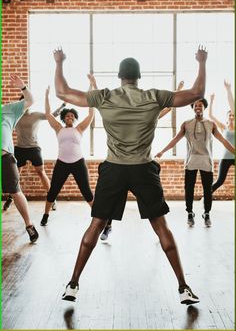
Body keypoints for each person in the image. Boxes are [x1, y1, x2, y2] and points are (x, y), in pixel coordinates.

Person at [53, 45, 208, 305]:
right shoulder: (153, 96)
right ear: (138, 77)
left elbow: (62, 92)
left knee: (96, 224)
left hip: (114, 169)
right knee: (161, 227)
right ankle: (183, 287)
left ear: (119, 76)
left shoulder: (104, 97)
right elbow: (196, 93)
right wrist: (202, 62)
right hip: (143, 169)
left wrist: (59, 62)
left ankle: (73, 284)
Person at [100, 80, 185, 241]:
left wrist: (177, 90)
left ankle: (160, 231)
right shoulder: (119, 114)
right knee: (109, 204)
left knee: (155, 215)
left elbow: (165, 108)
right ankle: (107, 226)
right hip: (119, 164)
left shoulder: (148, 113)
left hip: (139, 165)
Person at [156, 99, 235, 228]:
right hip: (191, 160)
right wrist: (162, 151)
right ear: (193, 108)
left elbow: (223, 140)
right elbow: (175, 139)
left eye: (201, 105)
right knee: (189, 188)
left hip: (206, 160)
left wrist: (234, 151)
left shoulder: (211, 124)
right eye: (196, 105)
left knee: (207, 190)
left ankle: (207, 213)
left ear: (204, 108)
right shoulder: (186, 124)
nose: (198, 107)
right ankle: (190, 213)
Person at [40, 80, 95, 226]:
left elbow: (91, 114)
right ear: (63, 118)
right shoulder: (58, 128)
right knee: (53, 191)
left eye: (72, 116)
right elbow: (47, 113)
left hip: (78, 163)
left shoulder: (80, 129)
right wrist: (46, 96)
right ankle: (45, 215)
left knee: (87, 192)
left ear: (75, 118)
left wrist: (90, 92)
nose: (70, 117)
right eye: (67, 116)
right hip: (62, 163)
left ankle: (98, 217)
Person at [3, 93, 66, 211]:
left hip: (34, 148)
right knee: (15, 175)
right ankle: (11, 198)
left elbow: (51, 115)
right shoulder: (15, 116)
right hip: (19, 148)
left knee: (41, 173)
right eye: (22, 103)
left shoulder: (36, 115)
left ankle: (52, 198)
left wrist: (63, 105)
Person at [2, 74, 39, 243]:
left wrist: (23, 87)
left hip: (5, 157)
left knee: (15, 192)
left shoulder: (10, 109)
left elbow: (31, 100)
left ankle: (29, 225)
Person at [208, 86, 235, 193]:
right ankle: (206, 196)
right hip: (226, 158)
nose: (232, 117)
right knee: (220, 181)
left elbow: (232, 105)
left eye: (233, 115)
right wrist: (211, 100)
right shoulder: (223, 127)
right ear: (227, 117)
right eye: (230, 116)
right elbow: (210, 115)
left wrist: (228, 90)